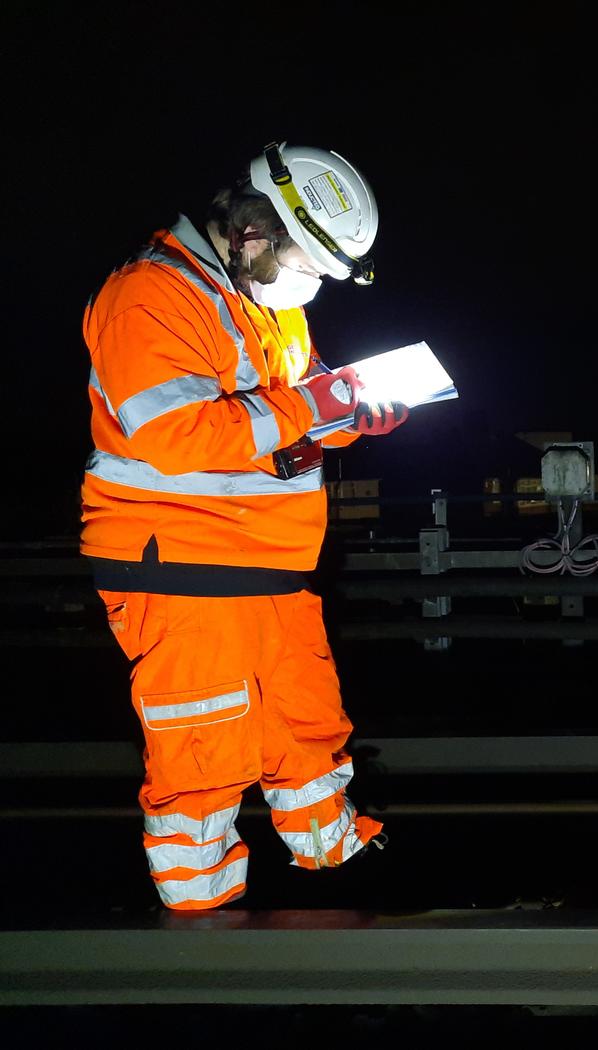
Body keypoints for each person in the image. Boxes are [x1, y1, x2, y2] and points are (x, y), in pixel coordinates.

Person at [81, 141, 407, 910]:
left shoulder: (266, 302)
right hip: (184, 560)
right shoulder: (149, 296)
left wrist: (352, 415)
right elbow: (173, 434)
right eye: (307, 262)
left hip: (267, 557)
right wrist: (317, 407)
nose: (311, 286)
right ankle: (200, 928)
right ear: (252, 231)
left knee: (303, 719)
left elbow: (286, 414)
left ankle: (337, 864)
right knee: (204, 744)